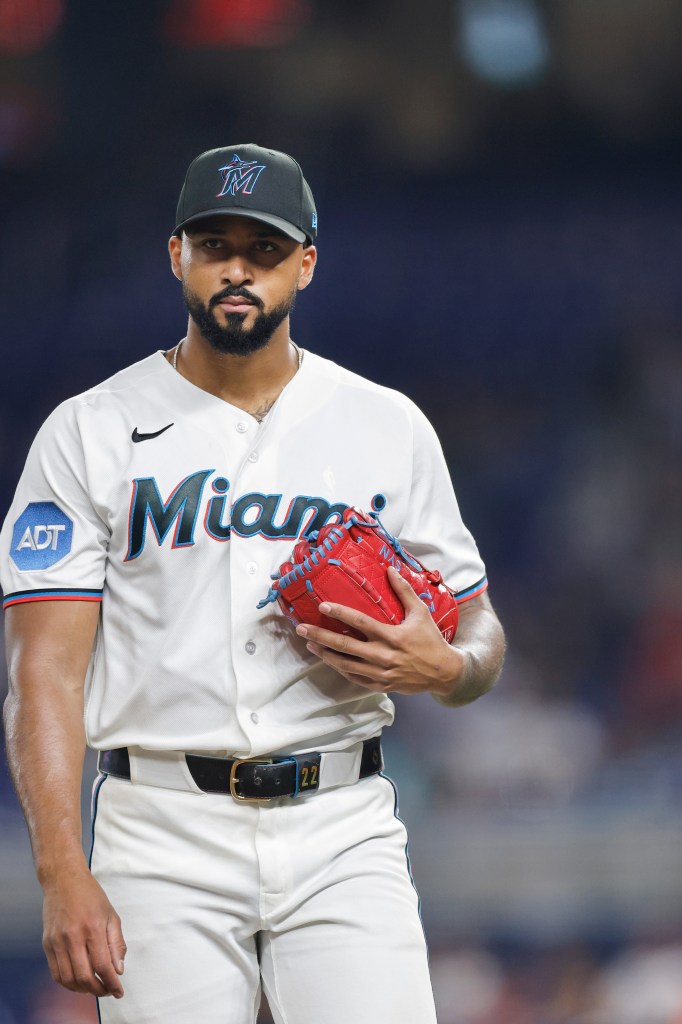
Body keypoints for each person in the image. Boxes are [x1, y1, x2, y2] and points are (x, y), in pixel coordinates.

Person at [1, 143, 505, 1024]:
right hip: (159, 831)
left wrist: (449, 670)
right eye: (215, 245)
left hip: (342, 823)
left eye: (264, 249)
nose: (238, 269)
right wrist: (61, 869)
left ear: (305, 263)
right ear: (176, 255)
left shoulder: (385, 425)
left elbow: (481, 629)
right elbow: (42, 670)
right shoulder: (89, 432)